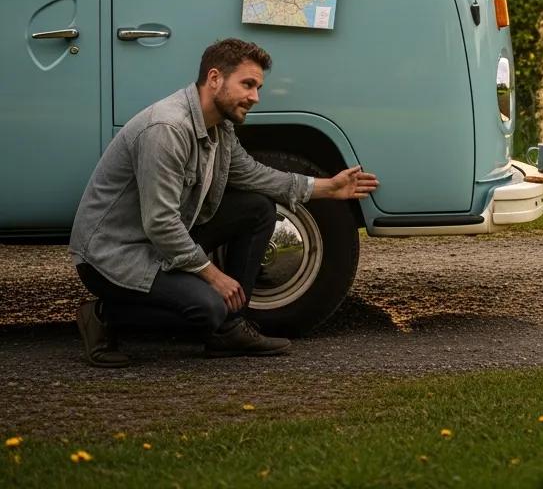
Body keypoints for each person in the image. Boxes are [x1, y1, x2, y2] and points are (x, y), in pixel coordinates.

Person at [70, 38, 379, 367]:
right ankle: (104, 314)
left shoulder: (220, 126)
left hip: (161, 242)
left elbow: (252, 175)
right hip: (115, 256)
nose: (255, 97)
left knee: (258, 208)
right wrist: (212, 276)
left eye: (258, 87)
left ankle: (227, 330)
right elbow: (160, 223)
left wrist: (327, 188)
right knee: (210, 306)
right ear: (214, 78)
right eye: (247, 84)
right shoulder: (167, 129)